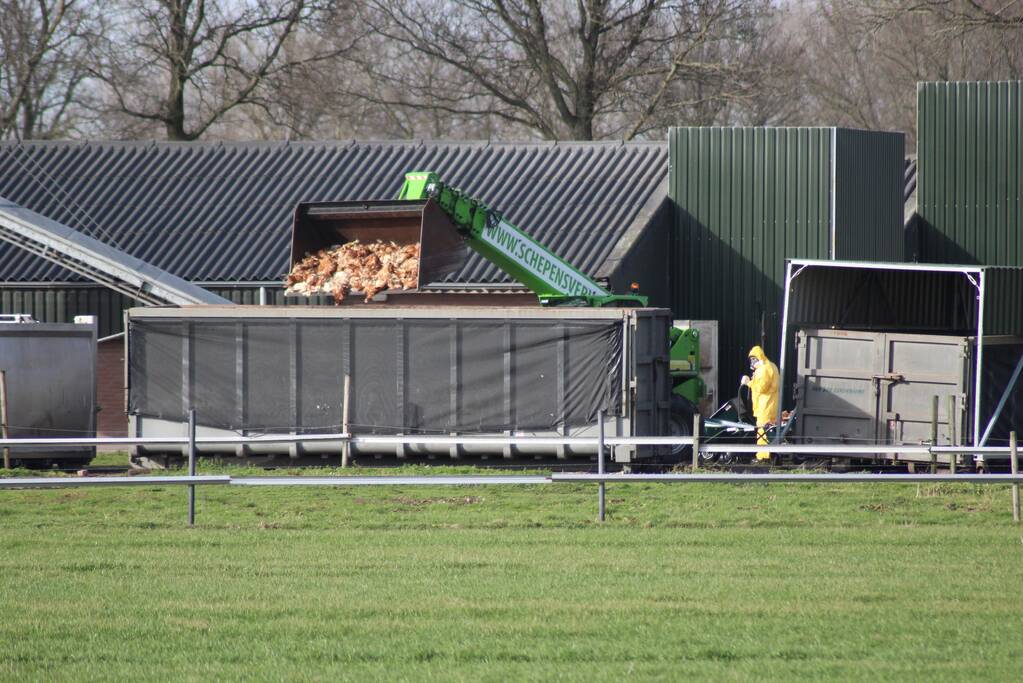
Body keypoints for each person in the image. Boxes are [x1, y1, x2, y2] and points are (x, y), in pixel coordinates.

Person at [740, 345, 779, 462]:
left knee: (763, 432)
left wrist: (748, 383)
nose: (752, 362)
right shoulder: (771, 366)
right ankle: (771, 455)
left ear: (758, 358)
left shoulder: (763, 369)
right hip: (771, 405)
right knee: (770, 432)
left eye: (753, 359)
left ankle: (763, 457)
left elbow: (762, 388)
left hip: (765, 407)